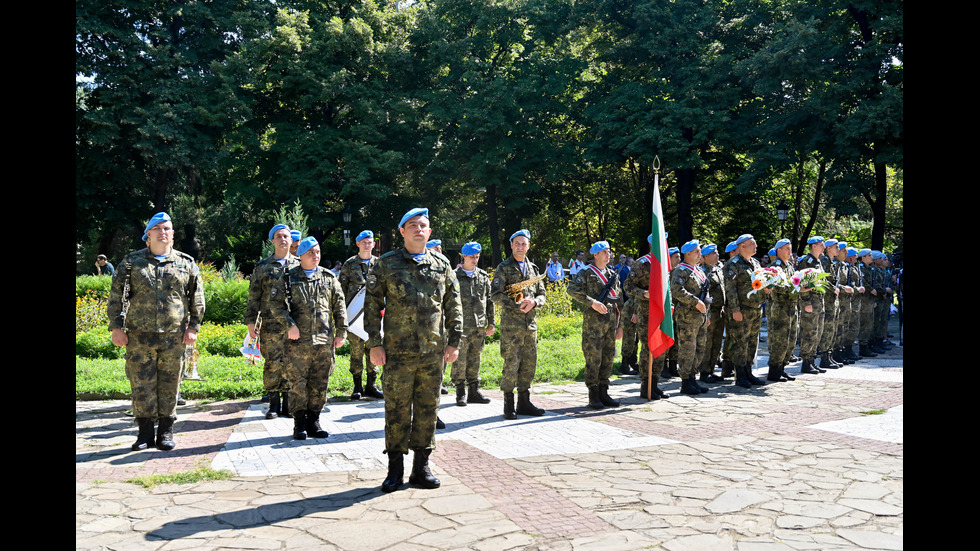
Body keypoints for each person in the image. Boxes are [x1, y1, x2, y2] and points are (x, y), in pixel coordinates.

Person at [364, 208, 463, 493]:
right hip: (397, 352)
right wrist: (374, 344)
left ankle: (422, 468)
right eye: (413, 225)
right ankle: (395, 469)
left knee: (427, 409)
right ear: (402, 232)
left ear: (429, 232)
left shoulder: (442, 265)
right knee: (396, 410)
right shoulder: (386, 264)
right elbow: (370, 306)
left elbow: (453, 306)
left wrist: (455, 341)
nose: (419, 229)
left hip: (433, 352)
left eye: (423, 225)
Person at [108, 212, 205, 451]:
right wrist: (117, 327)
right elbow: (116, 297)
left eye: (167, 229)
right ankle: (144, 434)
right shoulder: (131, 262)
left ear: (172, 235)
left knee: (170, 384)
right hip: (139, 337)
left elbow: (197, 299)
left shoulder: (186, 263)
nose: (163, 232)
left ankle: (165, 432)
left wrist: (193, 327)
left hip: (174, 336)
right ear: (148, 235)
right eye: (158, 229)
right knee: (141, 384)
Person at [270, 237, 348, 440]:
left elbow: (339, 307)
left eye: (318, 252)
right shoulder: (288, 278)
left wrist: (341, 332)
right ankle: (299, 424)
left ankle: (314, 421)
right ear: (300, 255)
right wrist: (290, 325)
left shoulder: (329, 278)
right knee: (297, 383)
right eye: (311, 253)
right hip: (297, 343)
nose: (316, 256)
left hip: (323, 342)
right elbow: (275, 305)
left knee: (320, 382)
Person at [245, 224, 300, 420]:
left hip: (294, 325)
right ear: (273, 241)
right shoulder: (262, 267)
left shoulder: (299, 265)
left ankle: (288, 404)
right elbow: (253, 297)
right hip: (270, 324)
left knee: (291, 363)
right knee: (272, 364)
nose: (283, 239)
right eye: (279, 236)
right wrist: (251, 322)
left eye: (286, 236)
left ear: (291, 240)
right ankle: (274, 404)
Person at [491, 229, 548, 419]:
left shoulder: (534, 269)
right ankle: (509, 404)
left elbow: (542, 295)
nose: (520, 247)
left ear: (529, 246)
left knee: (529, 364)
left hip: (530, 325)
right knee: (511, 364)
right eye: (517, 243)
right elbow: (495, 294)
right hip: (512, 327)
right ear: (511, 245)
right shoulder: (503, 267)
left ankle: (524, 402)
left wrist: (534, 302)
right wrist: (515, 304)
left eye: (524, 243)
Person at [567, 240, 624, 409]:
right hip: (593, 324)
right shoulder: (586, 272)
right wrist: (592, 303)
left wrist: (620, 326)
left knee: (608, 358)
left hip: (611, 322)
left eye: (609, 252)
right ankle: (593, 394)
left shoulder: (612, 274)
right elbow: (572, 289)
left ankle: (604, 391)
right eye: (605, 252)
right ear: (596, 255)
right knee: (594, 358)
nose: (608, 255)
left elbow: (619, 300)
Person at [338, 230, 383, 401]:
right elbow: (341, 291)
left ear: (373, 244)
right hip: (354, 317)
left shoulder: (380, 264)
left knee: (374, 348)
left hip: (374, 317)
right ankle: (357, 386)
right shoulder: (349, 265)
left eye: (369, 241)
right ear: (357, 244)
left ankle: (371, 385)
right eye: (363, 241)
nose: (366, 244)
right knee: (356, 352)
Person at [623, 234, 669, 400]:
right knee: (648, 347)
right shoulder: (642, 263)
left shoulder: (665, 262)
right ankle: (646, 385)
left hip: (662, 311)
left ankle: (655, 384)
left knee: (661, 347)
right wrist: (644, 293)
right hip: (646, 311)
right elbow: (628, 286)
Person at [450, 242, 495, 406]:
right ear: (464, 257)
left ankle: (474, 391)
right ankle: (460, 392)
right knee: (460, 360)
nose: (475, 260)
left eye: (477, 257)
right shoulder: (454, 276)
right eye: (472, 257)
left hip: (478, 326)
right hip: (461, 327)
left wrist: (492, 323)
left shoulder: (483, 276)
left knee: (475, 359)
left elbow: (489, 301)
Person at [722, 234, 769, 388]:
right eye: (752, 244)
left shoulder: (755, 263)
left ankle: (748, 371)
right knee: (740, 343)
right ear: (742, 246)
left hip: (755, 309)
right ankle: (740, 374)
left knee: (752, 342)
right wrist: (735, 310)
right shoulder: (732, 264)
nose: (755, 246)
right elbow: (730, 290)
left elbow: (759, 283)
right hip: (741, 310)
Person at [670, 240, 712, 395]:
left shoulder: (699, 270)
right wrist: (695, 302)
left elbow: (706, 293)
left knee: (699, 349)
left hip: (700, 317)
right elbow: (676, 290)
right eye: (697, 251)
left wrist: (706, 314)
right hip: (687, 317)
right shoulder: (681, 270)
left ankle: (693, 378)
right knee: (688, 350)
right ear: (687, 254)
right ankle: (686, 381)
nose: (700, 254)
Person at [765, 239, 798, 382]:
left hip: (791, 306)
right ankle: (774, 370)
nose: (789, 252)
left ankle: (782, 368)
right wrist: (797, 290)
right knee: (779, 340)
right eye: (786, 249)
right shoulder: (775, 267)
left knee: (791, 340)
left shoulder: (789, 265)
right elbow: (778, 288)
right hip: (780, 307)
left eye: (790, 249)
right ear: (779, 250)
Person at [796, 237, 828, 374]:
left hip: (819, 302)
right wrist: (806, 302)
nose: (824, 247)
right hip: (811, 303)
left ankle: (812, 360)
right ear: (814, 246)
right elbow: (802, 284)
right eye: (821, 245)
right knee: (809, 332)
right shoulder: (806, 262)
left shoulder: (818, 261)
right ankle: (806, 362)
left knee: (817, 332)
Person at [697, 243, 728, 383]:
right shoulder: (702, 271)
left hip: (719, 311)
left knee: (716, 342)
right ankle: (704, 371)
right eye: (714, 253)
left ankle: (711, 369)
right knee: (707, 342)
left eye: (717, 252)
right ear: (706, 256)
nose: (718, 255)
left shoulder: (718, 269)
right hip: (709, 311)